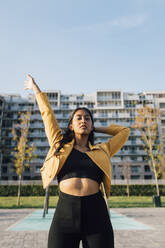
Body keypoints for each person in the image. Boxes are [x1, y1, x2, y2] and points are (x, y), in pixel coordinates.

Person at [24, 74, 130, 248]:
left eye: (87, 118)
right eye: (79, 118)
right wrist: (36, 89)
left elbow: (124, 132)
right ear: (71, 126)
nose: (83, 121)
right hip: (65, 213)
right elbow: (47, 114)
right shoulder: (59, 144)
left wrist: (96, 127)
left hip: (96, 214)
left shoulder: (102, 150)